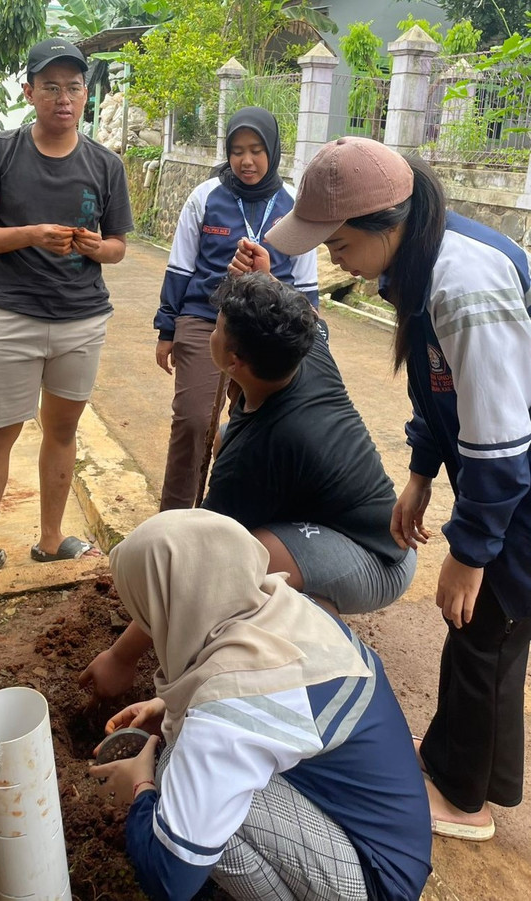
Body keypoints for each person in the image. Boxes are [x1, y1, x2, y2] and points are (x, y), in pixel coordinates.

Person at [250, 135, 531, 841]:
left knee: (483, 631)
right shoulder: (417, 267)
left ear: (385, 223)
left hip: (518, 481)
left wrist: (470, 550)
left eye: (336, 241)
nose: (328, 256)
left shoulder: (464, 282)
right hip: (506, 475)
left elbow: (499, 438)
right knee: (494, 632)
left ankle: (465, 801)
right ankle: (464, 766)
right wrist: (420, 474)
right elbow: (442, 390)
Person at [79, 272, 415, 701]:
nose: (212, 330)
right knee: (224, 434)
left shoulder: (259, 454)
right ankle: (305, 604)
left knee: (245, 559)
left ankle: (318, 640)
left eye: (217, 327)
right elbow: (305, 315)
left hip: (380, 559)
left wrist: (120, 658)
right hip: (356, 521)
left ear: (234, 360)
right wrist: (265, 275)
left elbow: (200, 565)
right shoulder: (306, 349)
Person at [90, 508, 432, 901]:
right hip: (392, 843)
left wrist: (141, 787)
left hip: (374, 881)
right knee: (190, 767)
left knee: (173, 774)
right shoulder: (288, 610)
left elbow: (170, 883)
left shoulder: (227, 707)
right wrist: (169, 708)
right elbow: (273, 703)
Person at [0, 38, 134, 575]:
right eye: (50, 86)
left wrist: (99, 248)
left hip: (81, 319)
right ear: (29, 92)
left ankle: (51, 539)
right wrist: (30, 234)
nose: (63, 97)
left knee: (62, 430)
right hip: (10, 314)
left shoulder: (105, 164)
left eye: (73, 87)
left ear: (85, 93)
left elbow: (119, 245)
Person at [155, 106, 318, 511]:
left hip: (266, 332)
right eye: (237, 150)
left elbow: (306, 290)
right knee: (193, 422)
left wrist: (266, 280)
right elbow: (179, 265)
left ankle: (229, 516)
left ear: (274, 151)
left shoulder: (294, 203)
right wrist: (167, 330)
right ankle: (174, 519)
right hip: (203, 320)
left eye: (257, 150)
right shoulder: (205, 196)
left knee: (253, 428)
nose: (246, 161)